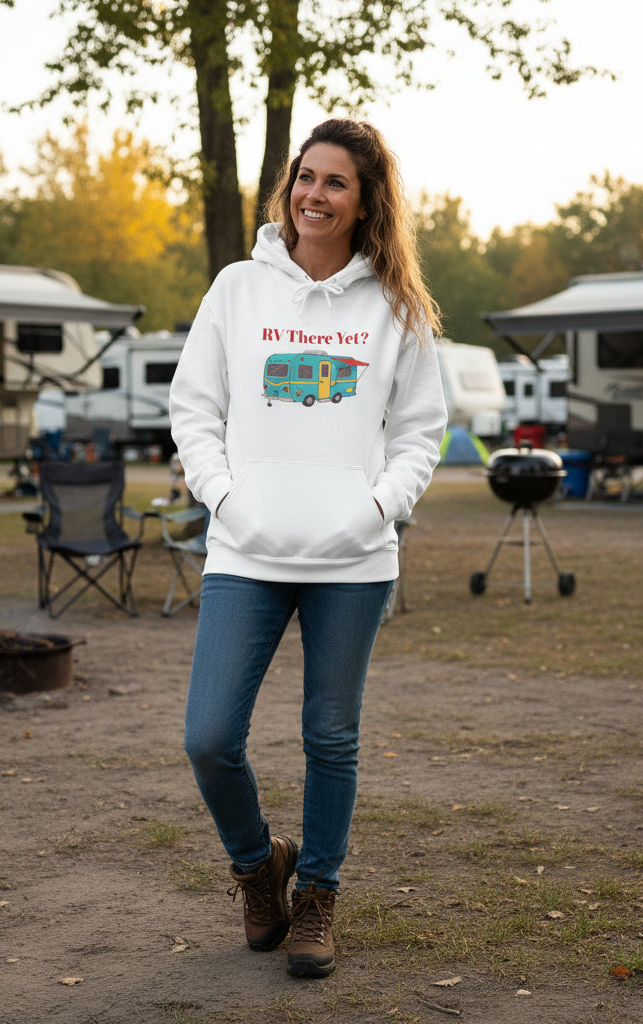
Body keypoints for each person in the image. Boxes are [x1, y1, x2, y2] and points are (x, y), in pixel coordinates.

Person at [169, 118, 447, 979]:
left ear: (365, 205)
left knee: (330, 736)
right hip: (247, 550)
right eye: (305, 177)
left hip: (352, 559)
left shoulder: (393, 306)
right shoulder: (237, 290)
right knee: (209, 736)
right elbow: (194, 408)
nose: (313, 195)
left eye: (335, 183)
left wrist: (378, 508)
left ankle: (317, 895)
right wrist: (224, 496)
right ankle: (259, 870)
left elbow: (422, 431)